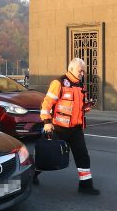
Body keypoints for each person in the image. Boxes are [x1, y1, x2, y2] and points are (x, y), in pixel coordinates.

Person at [38, 57, 99, 195]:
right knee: (50, 156)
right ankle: (33, 173)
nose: (82, 74)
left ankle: (86, 186)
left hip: (76, 130)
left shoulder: (80, 86)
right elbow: (46, 104)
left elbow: (78, 108)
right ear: (71, 68)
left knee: (82, 156)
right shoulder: (59, 83)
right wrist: (47, 122)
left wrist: (87, 106)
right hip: (59, 129)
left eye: (83, 71)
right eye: (80, 70)